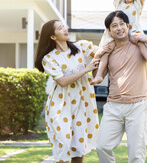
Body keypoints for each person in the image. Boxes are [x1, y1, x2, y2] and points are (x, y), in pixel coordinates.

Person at [34, 20, 110, 163]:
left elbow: (103, 52)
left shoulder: (81, 46)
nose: (65, 29)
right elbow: (62, 81)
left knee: (78, 146)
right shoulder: (49, 58)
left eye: (64, 26)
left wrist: (98, 73)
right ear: (53, 37)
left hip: (82, 102)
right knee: (63, 144)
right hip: (61, 104)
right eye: (60, 28)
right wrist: (86, 69)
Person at [95, 11, 147, 163]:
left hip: (137, 106)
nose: (119, 28)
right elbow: (96, 76)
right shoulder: (108, 49)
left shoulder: (139, 45)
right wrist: (98, 54)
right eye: (114, 26)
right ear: (109, 31)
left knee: (136, 154)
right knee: (102, 146)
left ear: (128, 26)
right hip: (113, 106)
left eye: (121, 24)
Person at [92, 0, 147, 85]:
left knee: (140, 42)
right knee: (106, 51)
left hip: (133, 31)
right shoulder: (119, 2)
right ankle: (98, 76)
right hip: (118, 32)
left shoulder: (138, 4)